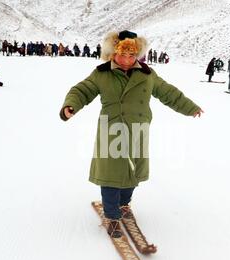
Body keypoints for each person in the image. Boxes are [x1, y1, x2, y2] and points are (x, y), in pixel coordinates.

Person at [59, 30, 204, 240]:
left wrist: (189, 107)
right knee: (111, 173)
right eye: (122, 55)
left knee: (132, 171)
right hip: (112, 130)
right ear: (113, 53)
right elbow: (83, 90)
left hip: (138, 129)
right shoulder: (102, 73)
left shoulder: (147, 74)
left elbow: (168, 92)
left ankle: (123, 204)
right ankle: (111, 215)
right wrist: (70, 106)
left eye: (131, 55)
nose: (127, 60)